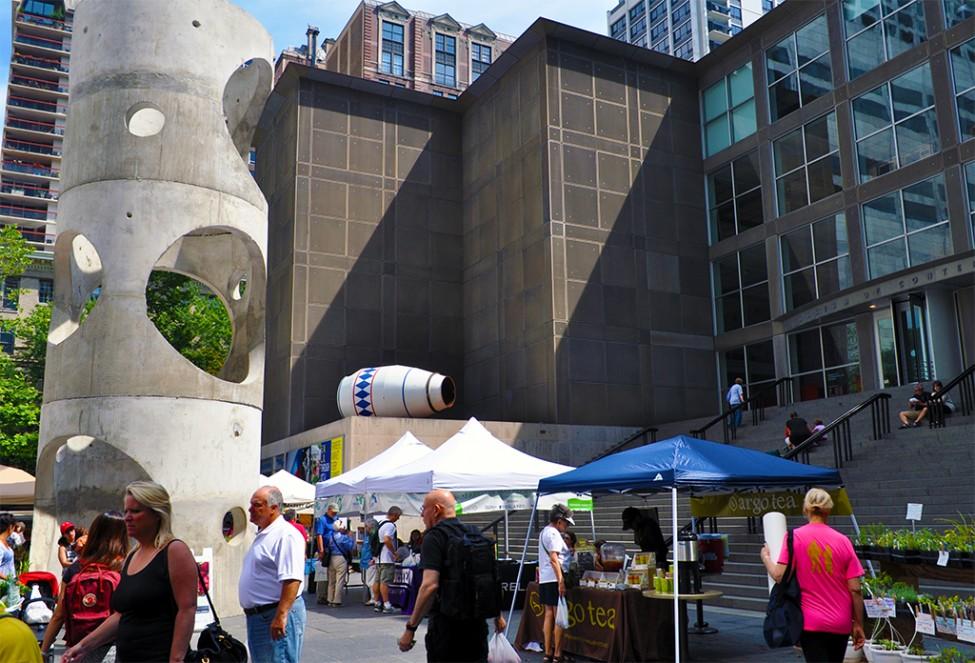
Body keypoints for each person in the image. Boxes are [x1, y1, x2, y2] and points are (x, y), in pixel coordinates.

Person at [62, 481, 198, 663]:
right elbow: (122, 615)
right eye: (126, 511)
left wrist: (176, 659)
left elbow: (187, 609)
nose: (127, 517)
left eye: (135, 511)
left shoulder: (174, 550)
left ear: (157, 514)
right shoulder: (132, 556)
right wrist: (83, 646)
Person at [397, 489, 505, 662]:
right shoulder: (473, 532)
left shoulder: (434, 537)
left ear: (436, 509)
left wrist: (410, 628)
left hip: (447, 629)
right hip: (477, 627)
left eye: (424, 509)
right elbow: (489, 576)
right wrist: (498, 615)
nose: (422, 515)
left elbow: (429, 586)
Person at [760, 488, 866, 663]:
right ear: (829, 510)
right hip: (840, 622)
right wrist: (858, 624)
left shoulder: (795, 537)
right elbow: (855, 589)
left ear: (806, 509)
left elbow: (779, 575)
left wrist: (765, 558)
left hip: (810, 622)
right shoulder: (843, 541)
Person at [41, 511, 129, 663]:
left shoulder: (77, 567)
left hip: (77, 651)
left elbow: (59, 615)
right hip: (113, 650)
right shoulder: (126, 566)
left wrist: (43, 650)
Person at [239, 486, 306, 663]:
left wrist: (281, 616)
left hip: (273, 614)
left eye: (257, 505)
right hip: (261, 615)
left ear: (274, 508)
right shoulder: (265, 533)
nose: (250, 509)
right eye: (251, 504)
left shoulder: (285, 535)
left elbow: (292, 578)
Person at [538, 504, 573, 663]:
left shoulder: (544, 531)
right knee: (558, 615)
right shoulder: (554, 534)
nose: (566, 527)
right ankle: (557, 654)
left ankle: (548, 652)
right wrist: (561, 581)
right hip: (554, 578)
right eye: (566, 523)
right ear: (559, 521)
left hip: (545, 578)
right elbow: (554, 558)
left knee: (549, 614)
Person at [372, 505, 402, 614]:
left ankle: (377, 602)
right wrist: (394, 552)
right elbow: (387, 539)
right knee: (385, 582)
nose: (398, 519)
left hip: (379, 558)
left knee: (377, 581)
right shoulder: (390, 526)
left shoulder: (381, 524)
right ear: (393, 515)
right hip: (387, 559)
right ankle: (387, 604)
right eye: (398, 516)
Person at [325, 519, 355, 607]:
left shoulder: (330, 537)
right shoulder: (343, 538)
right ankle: (337, 600)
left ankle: (329, 599)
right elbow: (350, 547)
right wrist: (350, 537)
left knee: (331, 580)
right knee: (340, 580)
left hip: (331, 558)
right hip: (341, 558)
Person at [314, 503, 338, 604]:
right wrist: (321, 550)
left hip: (334, 549)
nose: (334, 514)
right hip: (325, 549)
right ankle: (321, 596)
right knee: (323, 574)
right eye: (333, 512)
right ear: (328, 510)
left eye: (336, 512)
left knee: (331, 574)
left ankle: (329, 595)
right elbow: (319, 535)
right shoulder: (322, 520)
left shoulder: (336, 518)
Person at [0, 513, 18, 607]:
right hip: (3, 589)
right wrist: (10, 580)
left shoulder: (6, 543)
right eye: (14, 527)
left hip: (10, 587)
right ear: (10, 527)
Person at [360, 520, 380, 606]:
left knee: (371, 581)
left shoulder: (373, 535)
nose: (365, 529)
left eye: (366, 527)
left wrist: (373, 558)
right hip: (366, 561)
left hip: (370, 560)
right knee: (369, 581)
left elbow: (374, 548)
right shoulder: (368, 536)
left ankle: (374, 598)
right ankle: (373, 598)